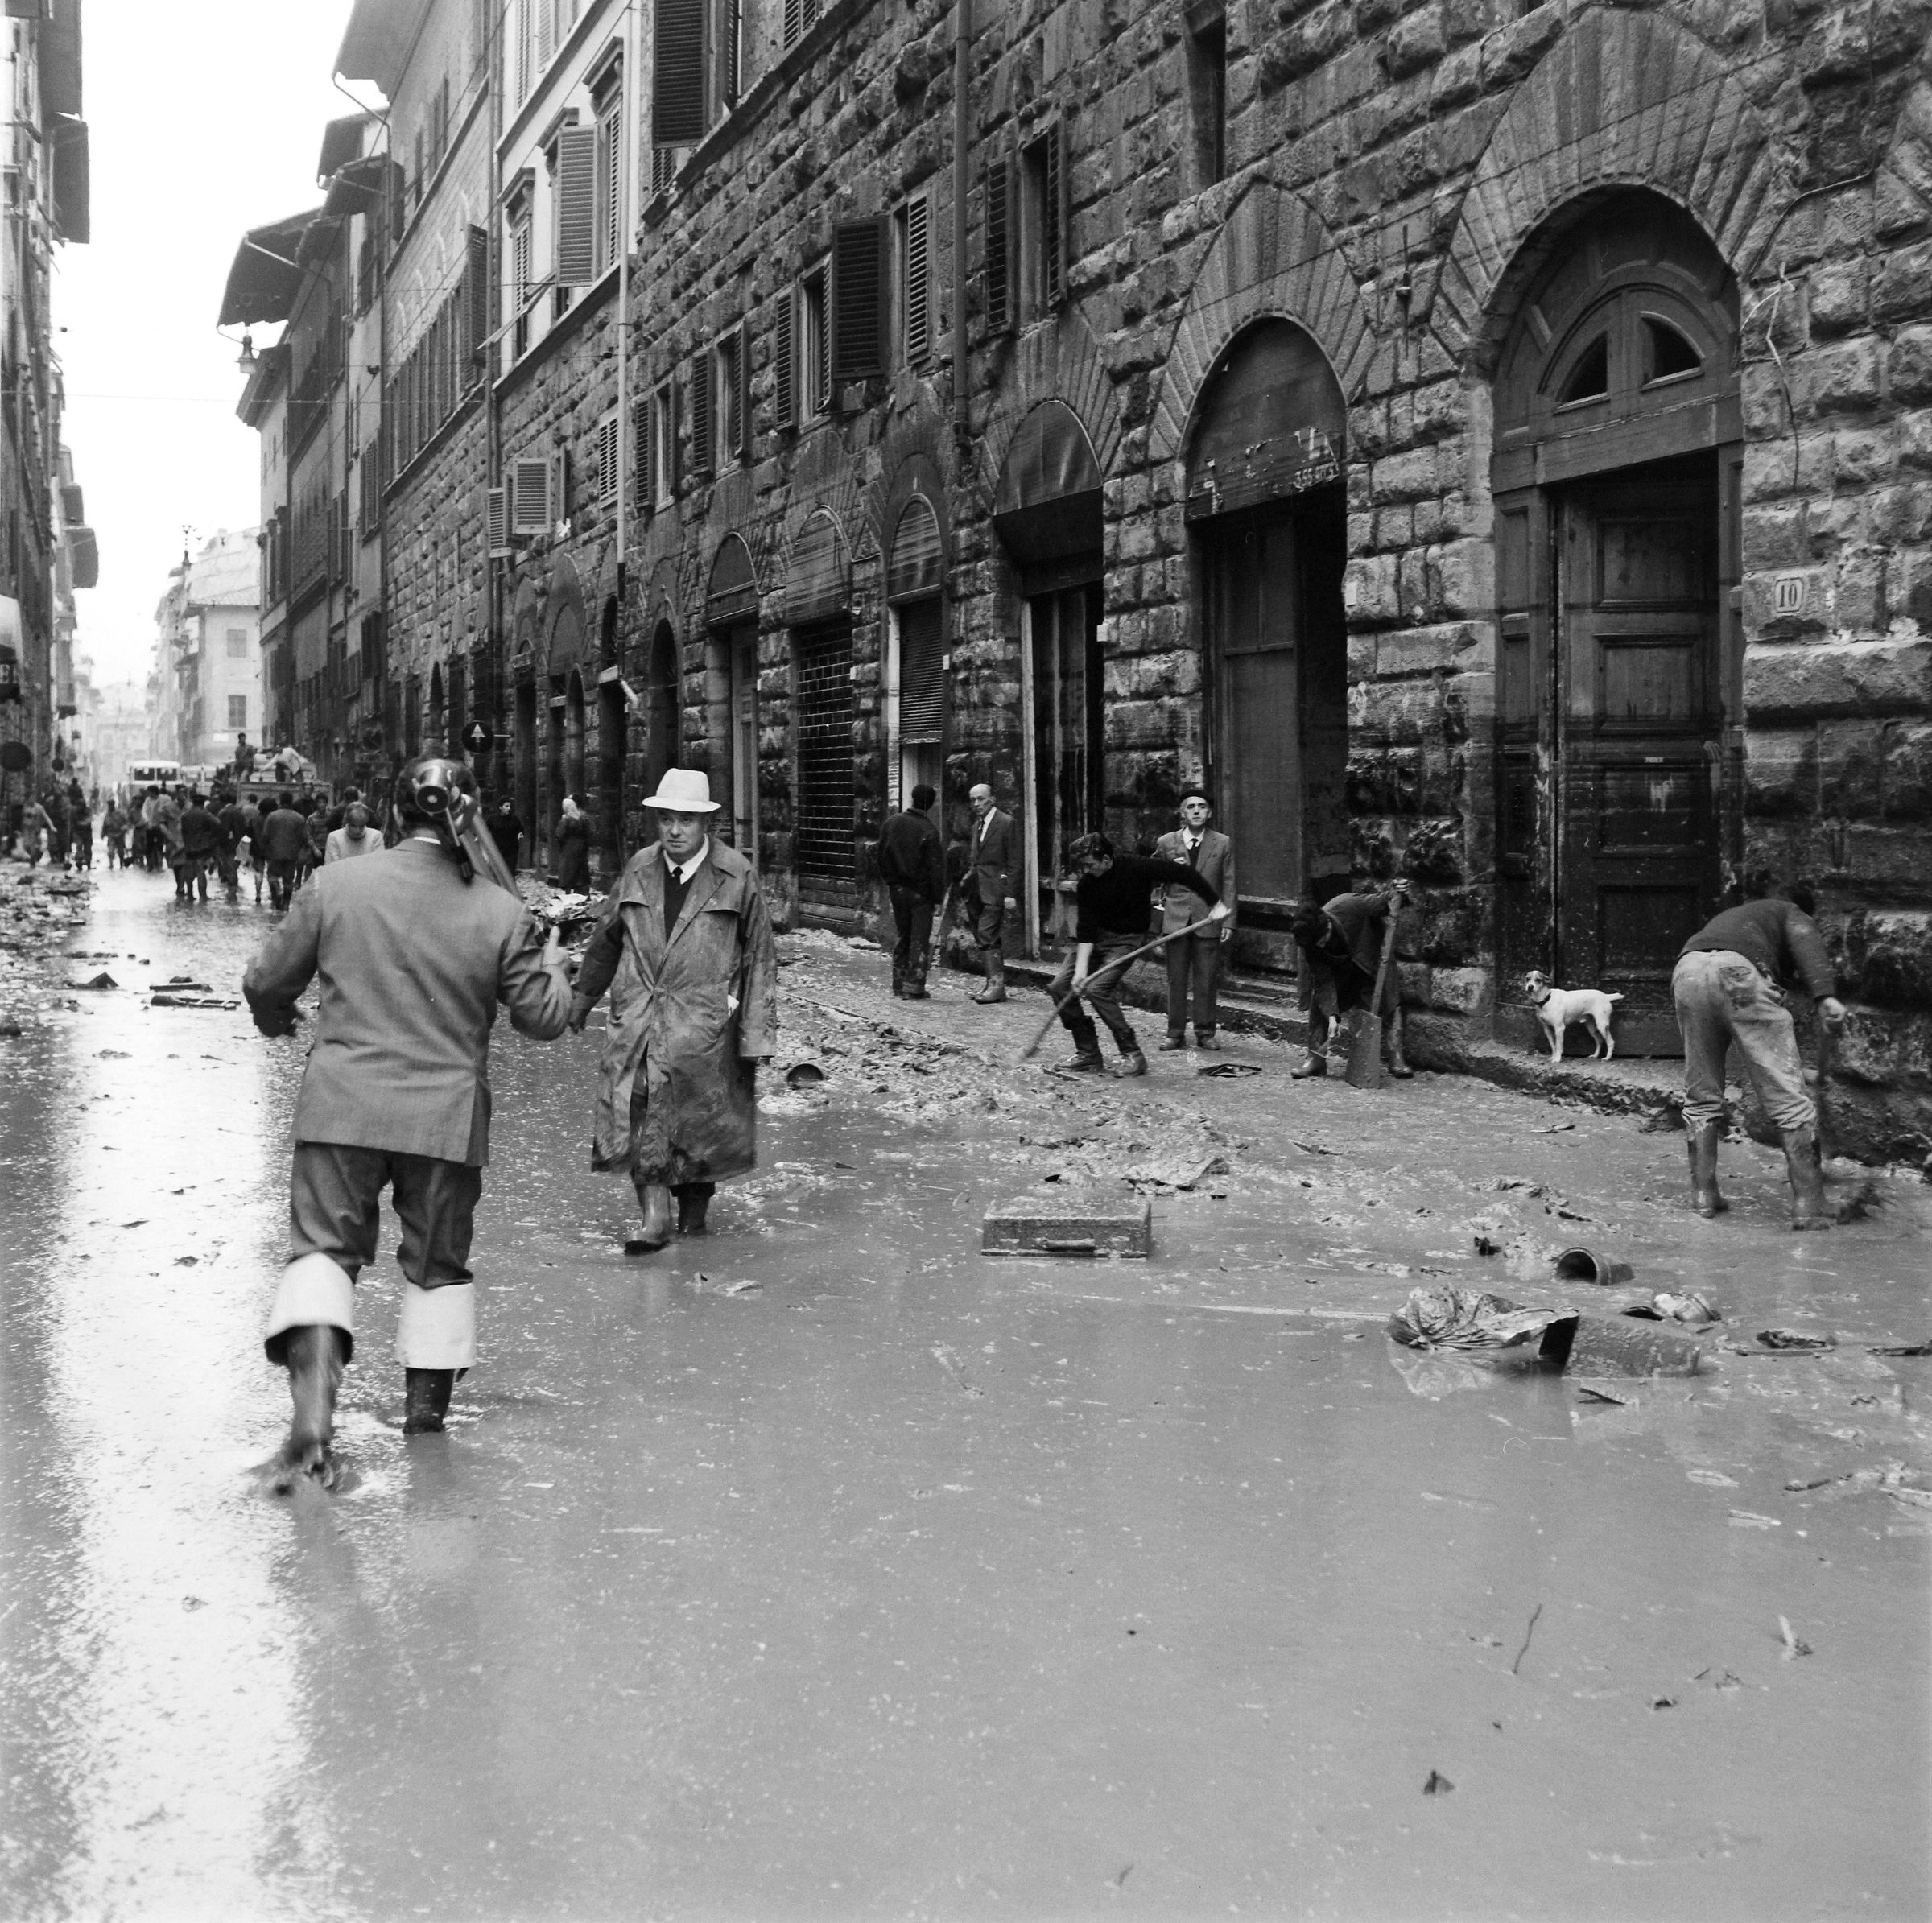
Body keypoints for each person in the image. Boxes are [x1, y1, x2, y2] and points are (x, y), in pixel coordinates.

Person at [243, 756, 574, 1485]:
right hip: (446, 1123)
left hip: (341, 1108)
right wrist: (553, 961)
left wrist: (279, 1023)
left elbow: (266, 982)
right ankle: (427, 1448)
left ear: (393, 815)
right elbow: (545, 1020)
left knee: (322, 1256)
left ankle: (311, 1427)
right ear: (469, 814)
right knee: (437, 1271)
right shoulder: (501, 909)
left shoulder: (334, 884)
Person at [568, 767, 778, 1252]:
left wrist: (755, 1034)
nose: (675, 830)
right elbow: (607, 938)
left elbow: (759, 955)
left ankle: (693, 1223)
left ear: (708, 824)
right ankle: (655, 1218)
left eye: (686, 820)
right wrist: (582, 999)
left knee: (699, 1123)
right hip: (640, 1013)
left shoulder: (735, 874)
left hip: (703, 1022)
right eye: (666, 819)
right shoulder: (639, 868)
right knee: (639, 1102)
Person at [1674, 879, 1846, 1229]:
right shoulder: (1791, 912)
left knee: (1702, 1092)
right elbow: (1804, 938)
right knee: (1788, 1097)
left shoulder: (1740, 916)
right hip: (1739, 975)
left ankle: (1703, 1196)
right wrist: (1825, 995)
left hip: (1688, 971)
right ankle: (1810, 1204)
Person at [1051, 832, 1228, 1076]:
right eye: (1083, 865)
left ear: (1105, 858)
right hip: (1098, 939)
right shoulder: (1087, 883)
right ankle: (1087, 1054)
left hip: (1127, 940)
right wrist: (1080, 971)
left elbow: (1183, 874)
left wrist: (1215, 903)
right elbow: (1086, 930)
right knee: (1060, 986)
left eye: (1090, 864)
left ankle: (1133, 1054)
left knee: (1097, 989)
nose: (1086, 870)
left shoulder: (1137, 866)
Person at [1289, 882, 1413, 1080]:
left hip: (1374, 959)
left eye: (1322, 940)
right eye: (1316, 945)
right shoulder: (1311, 942)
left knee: (1391, 998)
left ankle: (1396, 1054)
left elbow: (1383, 902)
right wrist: (1332, 1016)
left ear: (1327, 924)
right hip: (1345, 972)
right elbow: (1323, 982)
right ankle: (1316, 1059)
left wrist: (1397, 892)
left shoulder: (1349, 905)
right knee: (1319, 1003)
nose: (1320, 946)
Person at [1154, 790, 1236, 1051]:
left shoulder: (1223, 843)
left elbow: (1229, 884)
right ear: (1183, 813)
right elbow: (1155, 883)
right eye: (1191, 807)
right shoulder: (1167, 842)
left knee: (1207, 979)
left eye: (1202, 806)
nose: (1197, 811)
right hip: (1176, 920)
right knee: (1175, 979)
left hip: (1209, 920)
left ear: (1209, 812)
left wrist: (1229, 921)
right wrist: (1156, 926)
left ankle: (1205, 1031)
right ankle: (1175, 1033)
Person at [877, 782, 947, 998]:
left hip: (897, 890)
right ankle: (914, 987)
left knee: (903, 936)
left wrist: (891, 882)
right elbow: (936, 869)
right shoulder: (929, 831)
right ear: (931, 804)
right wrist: (937, 898)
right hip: (920, 894)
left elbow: (880, 856)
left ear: (912, 798)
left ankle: (898, 984)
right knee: (919, 939)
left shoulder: (892, 823)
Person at [966, 782, 1019, 1004]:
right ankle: (992, 983)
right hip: (977, 890)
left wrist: (1010, 892)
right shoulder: (976, 826)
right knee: (983, 936)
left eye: (980, 799)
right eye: (973, 800)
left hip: (996, 890)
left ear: (992, 800)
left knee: (987, 934)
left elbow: (1014, 862)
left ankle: (997, 987)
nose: (976, 804)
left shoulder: (1006, 823)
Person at [259, 790, 311, 910]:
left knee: (272, 876)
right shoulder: (299, 818)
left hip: (274, 853)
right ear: (291, 802)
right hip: (292, 854)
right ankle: (286, 904)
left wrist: (266, 850)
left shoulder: (272, 816)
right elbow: (305, 837)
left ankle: (276, 889)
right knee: (289, 880)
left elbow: (265, 835)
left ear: (280, 802)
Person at [177, 791, 224, 902]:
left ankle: (190, 895)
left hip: (189, 847)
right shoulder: (205, 814)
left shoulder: (185, 815)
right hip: (202, 847)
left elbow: (183, 831)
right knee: (200, 872)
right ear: (203, 803)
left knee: (189, 871)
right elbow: (218, 824)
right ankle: (203, 896)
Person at [217, 788, 252, 897]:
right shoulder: (240, 813)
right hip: (242, 845)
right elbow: (246, 830)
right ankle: (232, 893)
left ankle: (232, 895)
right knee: (234, 868)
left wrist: (219, 845)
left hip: (229, 846)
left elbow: (222, 831)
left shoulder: (223, 813)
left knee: (230, 870)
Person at [555, 794, 592, 892]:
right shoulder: (583, 817)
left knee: (568, 872)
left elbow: (560, 834)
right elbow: (589, 832)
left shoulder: (566, 819)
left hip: (568, 848)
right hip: (581, 847)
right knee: (580, 872)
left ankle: (568, 893)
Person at [324, 800, 380, 864]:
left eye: (361, 826)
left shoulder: (376, 837)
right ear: (347, 822)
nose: (357, 831)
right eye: (353, 826)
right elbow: (330, 867)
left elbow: (378, 866)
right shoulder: (334, 838)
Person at [250, 795, 276, 902]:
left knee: (258, 872)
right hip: (271, 849)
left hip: (257, 849)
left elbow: (248, 833)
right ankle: (273, 894)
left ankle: (258, 894)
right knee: (272, 872)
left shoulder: (254, 819)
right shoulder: (273, 819)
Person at [489, 798, 523, 874]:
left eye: (509, 806)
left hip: (511, 851)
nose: (509, 808)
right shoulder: (492, 819)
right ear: (500, 807)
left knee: (510, 872)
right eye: (506, 806)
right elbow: (486, 830)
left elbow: (520, 830)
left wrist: (519, 835)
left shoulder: (514, 819)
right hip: (498, 849)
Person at [101, 800, 127, 869]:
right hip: (111, 835)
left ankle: (121, 864)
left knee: (121, 851)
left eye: (111, 805)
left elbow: (126, 822)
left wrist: (124, 830)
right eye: (109, 805)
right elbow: (105, 825)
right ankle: (111, 864)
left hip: (120, 834)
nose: (110, 806)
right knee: (111, 851)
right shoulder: (107, 815)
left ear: (114, 805)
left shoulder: (120, 814)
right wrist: (103, 834)